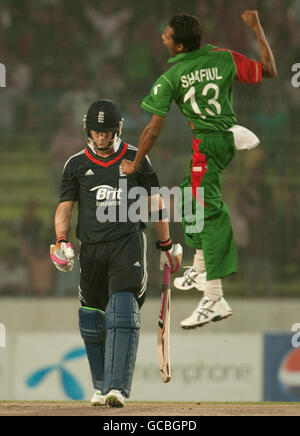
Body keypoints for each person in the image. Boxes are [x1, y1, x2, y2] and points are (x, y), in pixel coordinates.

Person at [121, 11, 277, 329]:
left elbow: (151, 132)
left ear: (179, 46)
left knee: (209, 215)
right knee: (189, 199)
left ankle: (214, 298)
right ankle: (199, 267)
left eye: (166, 36)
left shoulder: (171, 78)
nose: (162, 38)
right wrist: (257, 29)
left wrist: (136, 163)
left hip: (208, 144)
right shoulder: (222, 57)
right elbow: (270, 70)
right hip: (217, 140)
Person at [50, 99, 182, 407]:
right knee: (91, 317)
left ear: (118, 130)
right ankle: (100, 386)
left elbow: (157, 204)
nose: (101, 138)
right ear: (88, 131)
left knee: (123, 312)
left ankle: (118, 388)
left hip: (127, 244)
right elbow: (65, 207)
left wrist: (165, 246)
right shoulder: (76, 164)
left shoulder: (138, 159)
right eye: (96, 132)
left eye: (107, 132)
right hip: (91, 250)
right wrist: (60, 240)